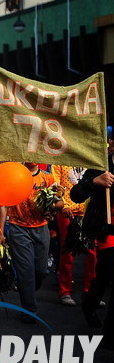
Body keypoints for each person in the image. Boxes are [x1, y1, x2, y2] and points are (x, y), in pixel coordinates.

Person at [0, 162, 62, 322]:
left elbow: (60, 202)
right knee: (25, 271)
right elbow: (4, 205)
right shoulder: (14, 176)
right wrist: (0, 232)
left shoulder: (47, 177)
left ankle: (27, 291)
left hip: (41, 228)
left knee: (40, 271)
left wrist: (52, 207)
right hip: (18, 228)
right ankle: (29, 309)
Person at [71, 133, 114, 346]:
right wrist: (95, 181)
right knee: (106, 275)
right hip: (108, 230)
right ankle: (90, 304)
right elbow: (75, 195)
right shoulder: (101, 166)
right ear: (112, 144)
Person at [52, 165, 93, 306]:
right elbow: (55, 184)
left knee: (93, 253)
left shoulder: (91, 159)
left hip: (88, 212)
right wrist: (63, 206)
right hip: (67, 210)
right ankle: (65, 291)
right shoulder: (61, 160)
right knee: (67, 251)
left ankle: (90, 292)